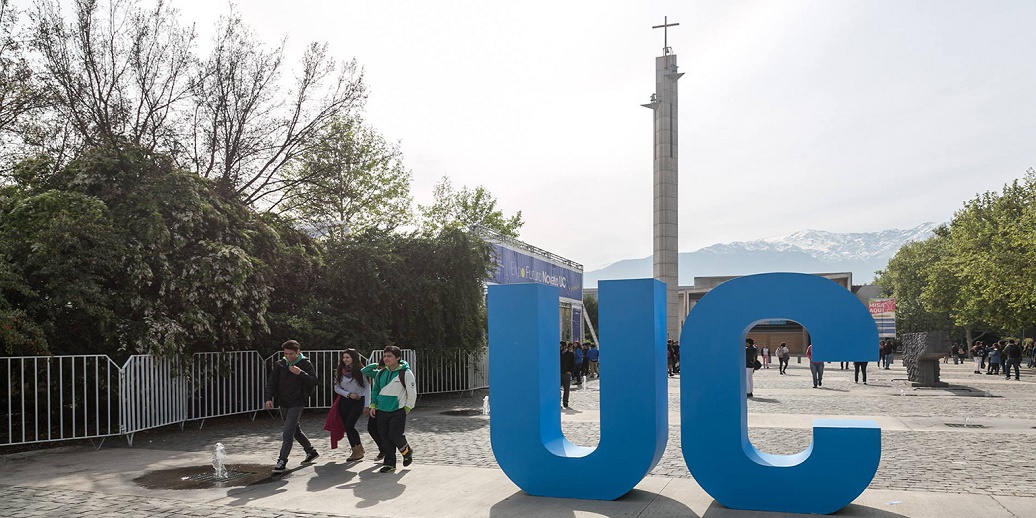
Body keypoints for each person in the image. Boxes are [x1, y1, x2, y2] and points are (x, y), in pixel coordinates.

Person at [264, 340, 321, 474]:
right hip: (283, 401)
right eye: (286, 354)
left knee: (287, 432)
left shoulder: (305, 363)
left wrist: (300, 373)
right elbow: (271, 382)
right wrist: (268, 398)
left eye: (291, 354)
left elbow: (314, 381)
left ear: (298, 352)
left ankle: (282, 460)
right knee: (295, 430)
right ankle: (310, 451)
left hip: (297, 401)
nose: (288, 356)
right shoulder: (280, 364)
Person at [362, 346, 418, 473]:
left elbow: (412, 392)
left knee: (394, 434)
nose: (386, 358)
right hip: (381, 410)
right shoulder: (381, 373)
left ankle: (406, 451)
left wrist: (408, 407)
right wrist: (373, 405)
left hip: (398, 410)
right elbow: (375, 390)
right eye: (385, 356)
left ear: (397, 358)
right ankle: (389, 463)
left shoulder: (406, 373)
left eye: (389, 356)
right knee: (385, 437)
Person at [333, 349, 368, 462]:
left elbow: (367, 387)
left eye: (348, 357)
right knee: (346, 426)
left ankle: (359, 448)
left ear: (354, 358)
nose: (345, 360)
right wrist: (348, 394)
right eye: (344, 358)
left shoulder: (361, 371)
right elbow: (337, 387)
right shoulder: (340, 371)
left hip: (358, 400)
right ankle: (355, 450)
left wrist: (367, 404)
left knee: (350, 425)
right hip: (345, 401)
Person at [560, 343, 575, 408]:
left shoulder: (570, 354)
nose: (559, 348)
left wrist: (570, 371)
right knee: (556, 389)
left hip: (566, 374)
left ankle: (565, 402)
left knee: (566, 389)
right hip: (558, 374)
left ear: (564, 346)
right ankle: (558, 402)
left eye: (560, 347)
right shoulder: (557, 354)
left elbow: (573, 364)